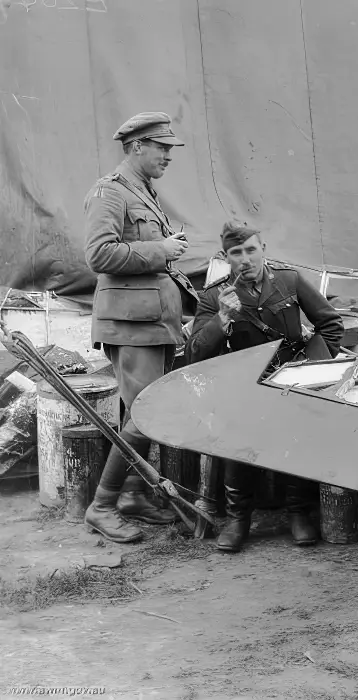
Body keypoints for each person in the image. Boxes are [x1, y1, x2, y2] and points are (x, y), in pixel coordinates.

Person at [187, 222, 345, 552]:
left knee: (295, 438)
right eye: (236, 253)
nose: (245, 259)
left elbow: (330, 323)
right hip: (243, 388)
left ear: (263, 249)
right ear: (226, 257)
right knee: (237, 441)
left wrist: (311, 368)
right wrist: (222, 319)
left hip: (290, 381)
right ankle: (238, 519)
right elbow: (196, 353)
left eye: (251, 250)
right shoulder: (214, 295)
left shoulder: (289, 281)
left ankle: (298, 513)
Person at [81, 112, 198, 544]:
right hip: (131, 324)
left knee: (144, 411)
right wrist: (160, 248)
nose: (169, 155)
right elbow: (99, 256)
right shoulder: (110, 192)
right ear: (136, 147)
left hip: (154, 321)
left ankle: (132, 495)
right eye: (162, 147)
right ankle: (103, 505)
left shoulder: (143, 191)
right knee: (146, 412)